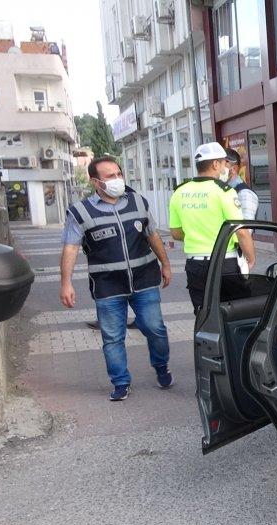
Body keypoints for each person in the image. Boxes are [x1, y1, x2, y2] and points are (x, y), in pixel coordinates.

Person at [60, 156, 173, 401]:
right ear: (95, 182)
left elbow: (153, 235)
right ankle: (121, 382)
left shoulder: (138, 202)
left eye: (119, 174)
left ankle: (161, 366)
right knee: (112, 337)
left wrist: (165, 264)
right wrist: (66, 283)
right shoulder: (80, 212)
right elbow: (70, 247)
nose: (117, 179)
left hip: (144, 280)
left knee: (154, 328)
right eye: (110, 176)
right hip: (107, 285)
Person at [168, 143, 255, 315]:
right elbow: (241, 231)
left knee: (203, 314)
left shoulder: (179, 192)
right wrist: (251, 259)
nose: (225, 168)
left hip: (195, 265)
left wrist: (198, 232)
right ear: (215, 164)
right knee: (236, 313)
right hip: (225, 263)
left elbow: (176, 233)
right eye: (224, 163)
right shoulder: (225, 192)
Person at [224, 147, 259, 220]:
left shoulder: (245, 194)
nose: (217, 169)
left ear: (234, 169)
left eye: (222, 165)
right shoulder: (223, 190)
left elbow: (246, 225)